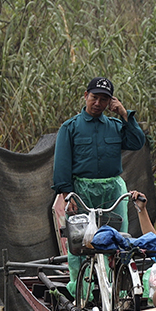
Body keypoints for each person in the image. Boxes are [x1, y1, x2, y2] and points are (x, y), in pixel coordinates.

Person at [52, 76, 147, 298]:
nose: (97, 103)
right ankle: (81, 291)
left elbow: (137, 142)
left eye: (104, 100)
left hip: (112, 189)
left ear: (110, 102)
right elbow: (62, 163)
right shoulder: (70, 128)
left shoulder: (115, 126)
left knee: (117, 238)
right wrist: (68, 195)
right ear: (86, 96)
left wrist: (124, 114)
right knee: (80, 242)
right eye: (94, 98)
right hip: (81, 190)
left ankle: (118, 292)